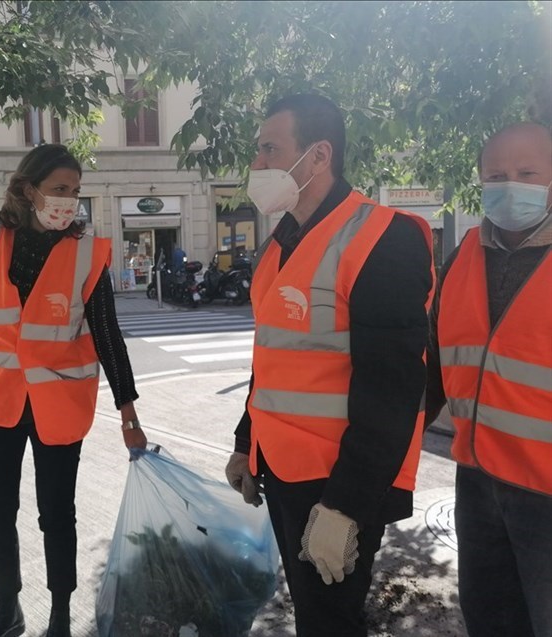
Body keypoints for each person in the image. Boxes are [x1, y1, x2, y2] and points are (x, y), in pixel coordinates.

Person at [0, 144, 148, 637]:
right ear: (27, 189)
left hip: (58, 405)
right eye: (60, 190)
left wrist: (128, 410)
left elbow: (107, 332)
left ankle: (60, 613)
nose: (69, 202)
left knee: (57, 514)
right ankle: (8, 609)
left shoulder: (87, 252)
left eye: (76, 192)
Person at [223, 94, 434, 636]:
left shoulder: (384, 237)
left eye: (270, 149)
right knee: (315, 620)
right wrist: (249, 442)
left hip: (339, 482)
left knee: (330, 626)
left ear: (318, 156)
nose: (257, 164)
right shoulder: (281, 244)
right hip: (285, 473)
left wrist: (345, 507)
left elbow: (392, 388)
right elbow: (271, 359)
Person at [425, 122, 552, 637]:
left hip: (546, 495)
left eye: (527, 173)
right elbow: (433, 361)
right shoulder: (464, 257)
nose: (509, 184)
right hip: (477, 483)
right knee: (490, 619)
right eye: (496, 174)